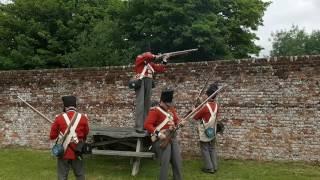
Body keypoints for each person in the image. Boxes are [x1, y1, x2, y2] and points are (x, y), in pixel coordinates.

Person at [144, 89, 183, 180]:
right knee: (165, 163)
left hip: (172, 137)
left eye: (169, 104)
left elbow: (177, 120)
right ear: (161, 102)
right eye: (167, 104)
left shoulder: (171, 109)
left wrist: (180, 123)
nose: (168, 106)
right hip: (162, 139)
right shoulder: (155, 111)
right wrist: (158, 133)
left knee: (177, 161)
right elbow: (147, 125)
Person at [50, 96, 89, 180]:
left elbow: (52, 136)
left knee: (62, 176)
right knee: (80, 175)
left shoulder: (59, 118)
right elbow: (86, 134)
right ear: (75, 106)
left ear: (65, 107)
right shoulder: (83, 118)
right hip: (78, 151)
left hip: (63, 152)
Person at [134, 52, 167, 133]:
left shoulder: (150, 64)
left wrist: (164, 59)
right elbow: (148, 55)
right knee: (140, 104)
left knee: (147, 104)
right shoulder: (140, 58)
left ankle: (145, 125)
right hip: (141, 80)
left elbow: (160, 69)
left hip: (149, 81)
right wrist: (156, 56)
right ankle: (139, 127)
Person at [192, 83, 220, 174]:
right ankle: (214, 166)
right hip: (213, 129)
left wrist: (194, 110)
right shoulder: (216, 105)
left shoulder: (205, 107)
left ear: (208, 95)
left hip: (205, 130)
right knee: (212, 148)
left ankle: (209, 168)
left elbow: (195, 117)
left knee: (205, 149)